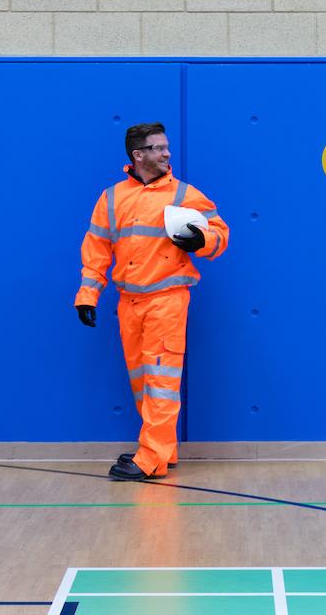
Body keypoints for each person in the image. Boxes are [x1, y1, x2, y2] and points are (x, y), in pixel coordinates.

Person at [74, 122, 230, 481]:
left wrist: (201, 242)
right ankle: (162, 447)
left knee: (161, 380)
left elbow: (221, 235)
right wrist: (88, 294)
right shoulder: (112, 198)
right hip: (128, 304)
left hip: (167, 300)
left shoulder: (184, 194)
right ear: (138, 155)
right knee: (144, 382)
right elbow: (96, 250)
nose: (167, 154)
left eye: (166, 147)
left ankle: (151, 459)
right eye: (158, 148)